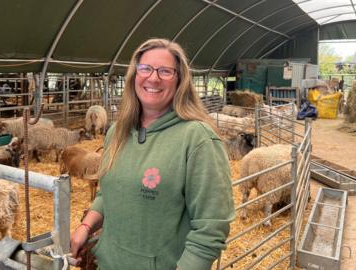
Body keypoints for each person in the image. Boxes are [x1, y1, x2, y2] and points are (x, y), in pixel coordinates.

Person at [70, 38, 235, 270]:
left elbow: (211, 227)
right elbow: (110, 192)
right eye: (145, 68)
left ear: (180, 80)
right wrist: (85, 227)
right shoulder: (117, 132)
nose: (153, 78)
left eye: (165, 71)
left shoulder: (198, 138)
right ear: (134, 75)